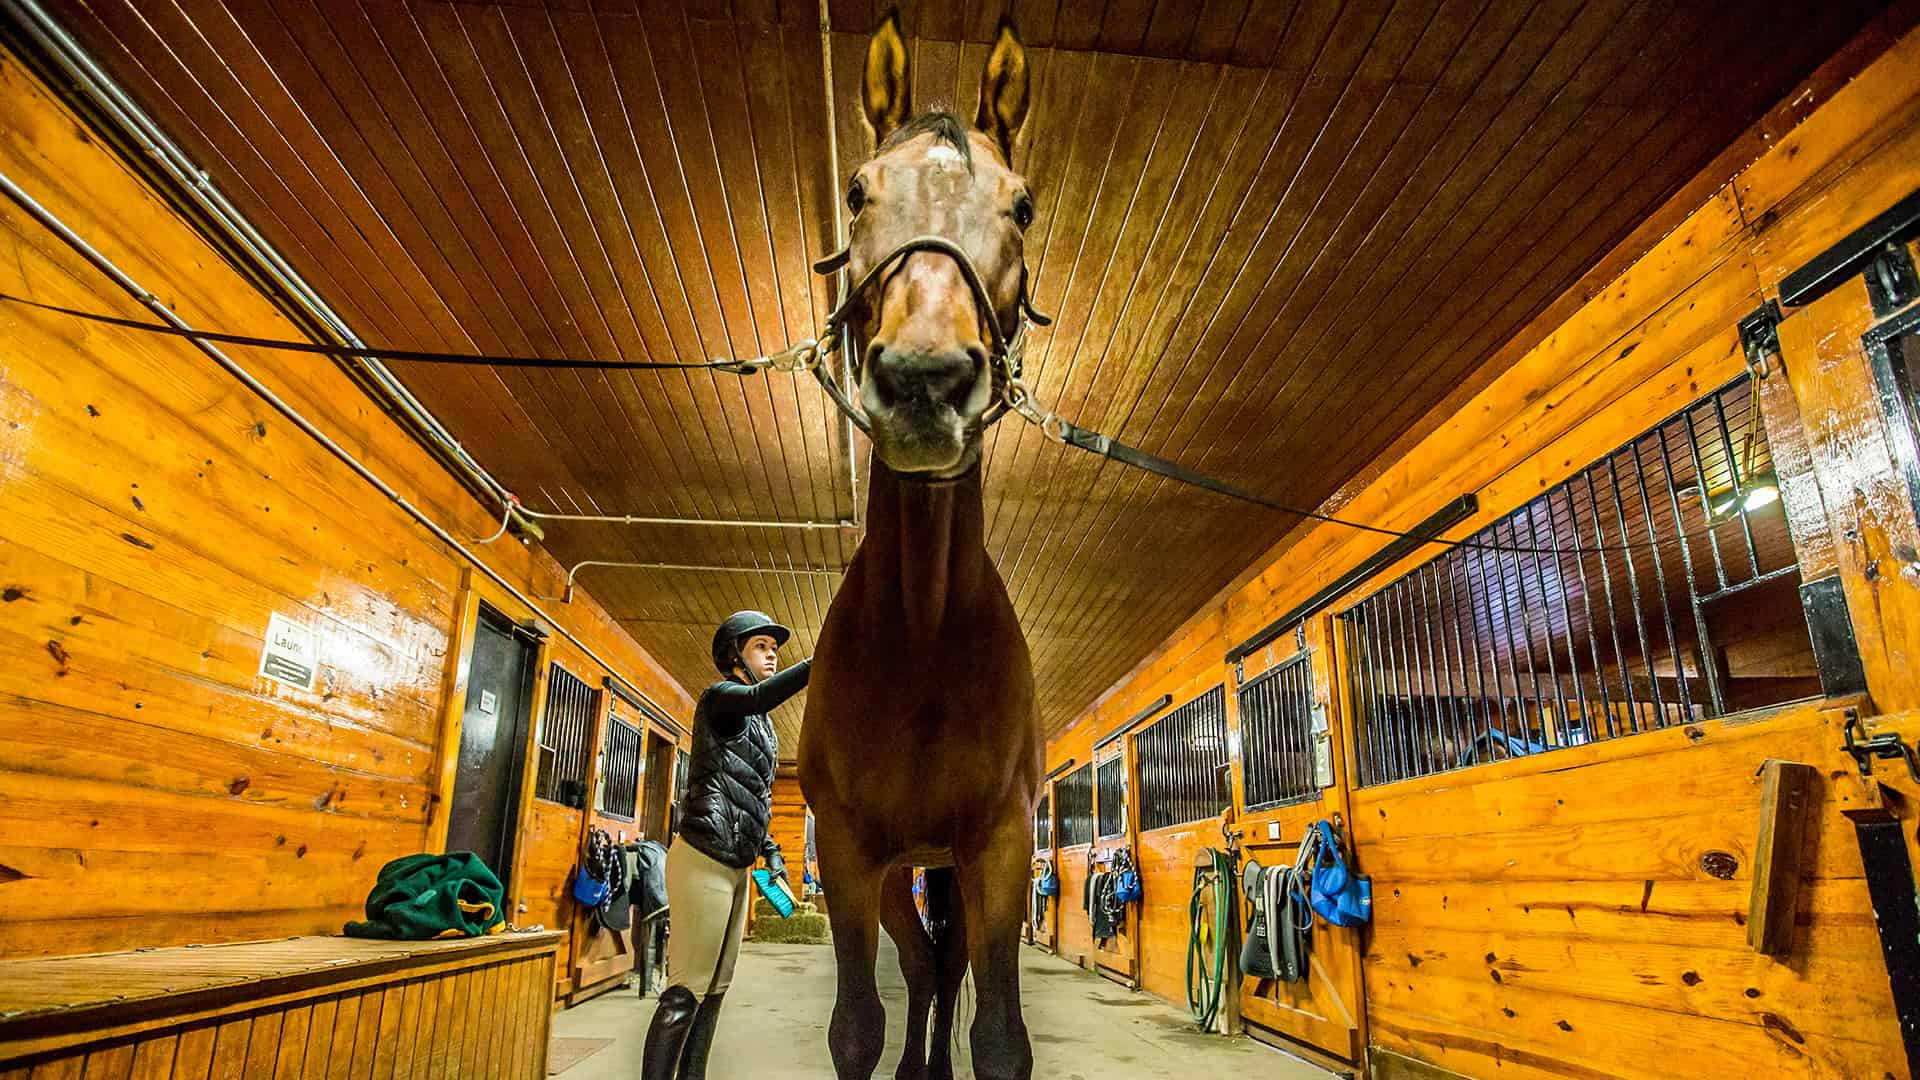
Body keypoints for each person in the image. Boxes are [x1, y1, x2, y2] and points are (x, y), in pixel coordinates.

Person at [643, 611, 810, 1079]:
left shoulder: (764, 729)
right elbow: (759, 696)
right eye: (761, 645)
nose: (773, 652)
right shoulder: (722, 699)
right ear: (734, 655)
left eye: (774, 646)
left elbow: (748, 793)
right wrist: (823, 659)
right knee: (684, 992)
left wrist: (772, 850)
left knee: (714, 991)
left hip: (738, 868)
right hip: (704, 860)